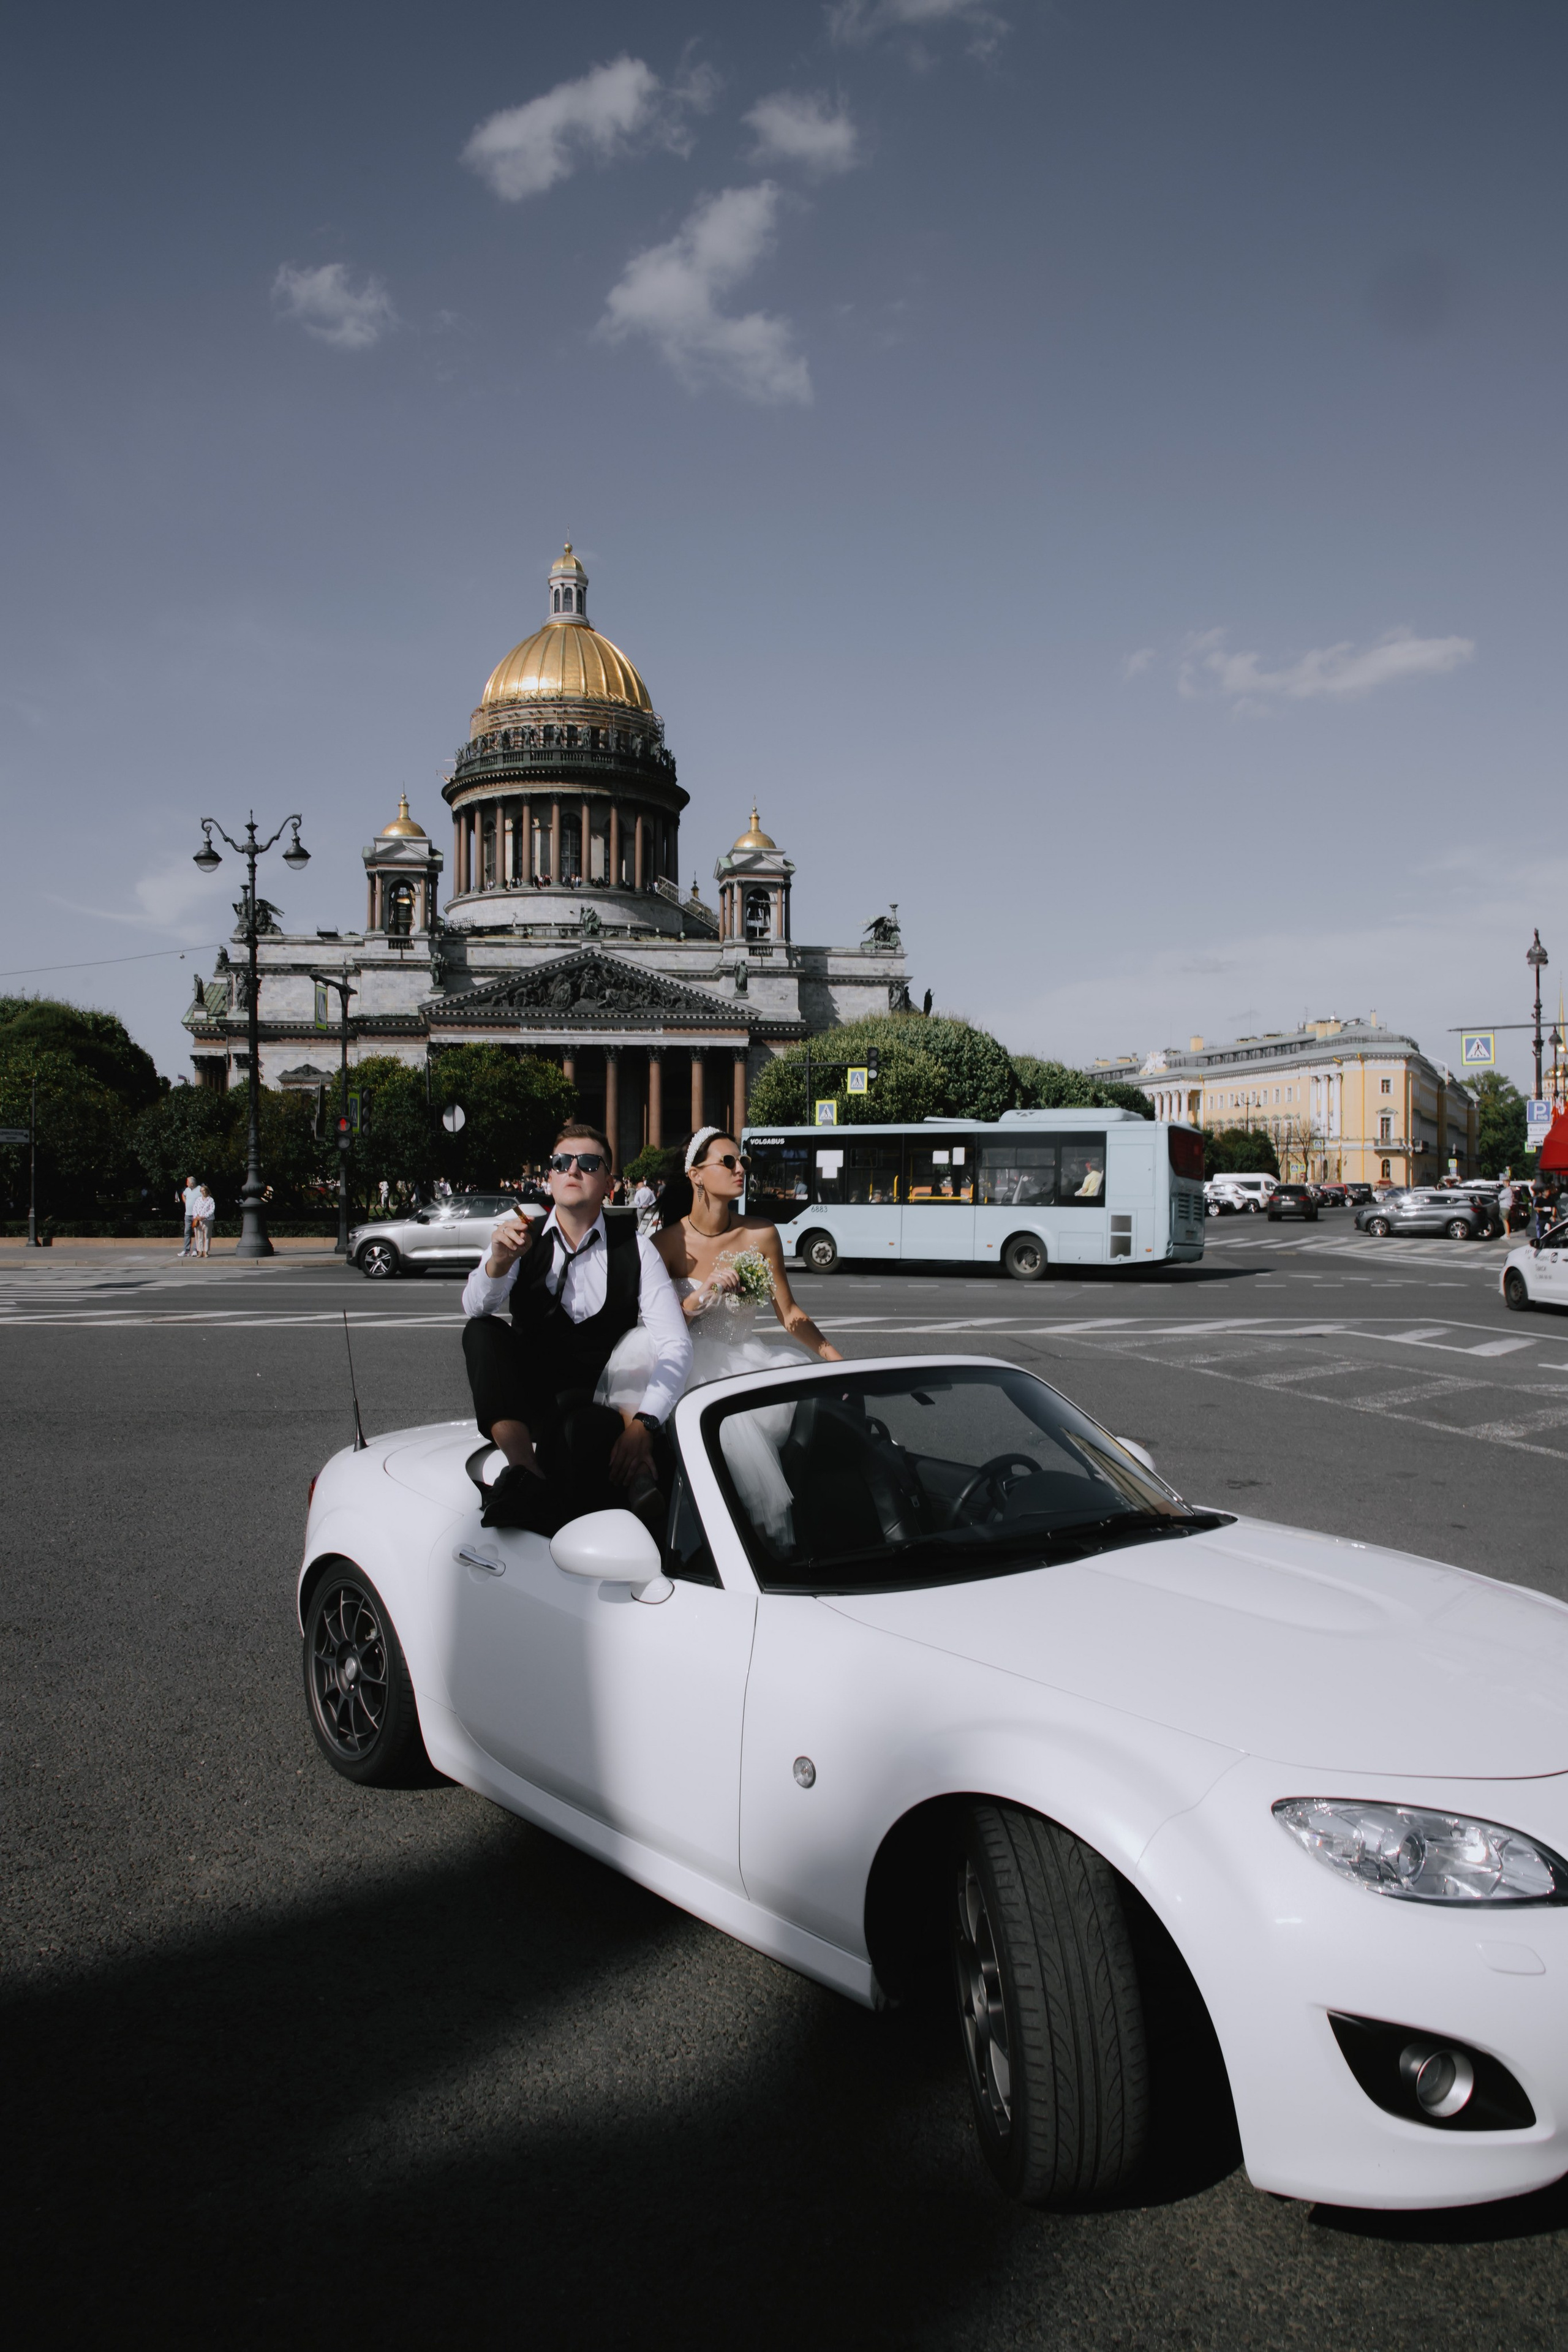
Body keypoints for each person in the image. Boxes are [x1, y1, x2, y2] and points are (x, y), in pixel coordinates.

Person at [595, 1128, 843, 1545]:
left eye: (742, 1161)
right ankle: (640, 1475)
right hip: (680, 1358)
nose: (741, 1168)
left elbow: (790, 1313)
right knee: (638, 1350)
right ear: (696, 1175)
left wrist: (837, 1361)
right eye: (728, 1162)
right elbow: (656, 1324)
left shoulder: (762, 1234)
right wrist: (702, 1295)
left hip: (741, 1360)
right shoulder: (666, 1243)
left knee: (752, 1427)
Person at [460, 1121, 691, 1535]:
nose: (573, 1170)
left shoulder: (635, 1246)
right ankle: (523, 1470)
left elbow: (676, 1345)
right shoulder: (521, 1236)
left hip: (596, 1396)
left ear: (608, 1182)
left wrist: (644, 1423)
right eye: (561, 1163)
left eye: (588, 1163)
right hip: (530, 1392)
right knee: (481, 1331)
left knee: (581, 1435)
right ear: (548, 1176)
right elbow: (476, 1306)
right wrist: (498, 1261)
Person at [176, 1175, 202, 1257]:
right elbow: (183, 1195)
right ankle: (186, 1251)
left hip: (196, 1215)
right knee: (187, 1233)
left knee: (197, 1233)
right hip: (187, 1215)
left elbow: (205, 1198)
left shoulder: (200, 1189)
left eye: (187, 1182)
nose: (186, 1183)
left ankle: (195, 1250)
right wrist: (186, 1202)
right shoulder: (187, 1190)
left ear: (192, 1184)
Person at [192, 1183, 216, 1258]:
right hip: (198, 1220)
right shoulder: (198, 1200)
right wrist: (197, 1217)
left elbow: (212, 1210)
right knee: (199, 1236)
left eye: (204, 1191)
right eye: (201, 1191)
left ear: (207, 1191)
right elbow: (194, 1209)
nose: (203, 1192)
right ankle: (200, 1251)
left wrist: (204, 1217)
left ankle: (206, 1252)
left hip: (208, 1220)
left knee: (207, 1236)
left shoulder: (211, 1200)